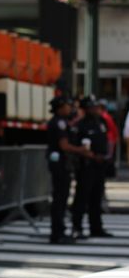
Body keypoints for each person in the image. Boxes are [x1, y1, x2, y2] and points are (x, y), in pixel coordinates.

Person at [46, 96, 92, 244]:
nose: (69, 108)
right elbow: (64, 146)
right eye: (67, 106)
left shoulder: (64, 122)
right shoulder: (58, 122)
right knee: (60, 198)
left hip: (63, 164)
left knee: (62, 198)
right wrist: (81, 150)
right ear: (59, 107)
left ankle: (60, 230)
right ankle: (57, 233)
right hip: (59, 165)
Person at [71, 95, 113, 239]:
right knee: (82, 198)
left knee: (96, 198)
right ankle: (77, 227)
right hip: (86, 166)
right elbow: (77, 146)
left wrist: (106, 156)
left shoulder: (101, 122)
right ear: (86, 109)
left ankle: (96, 227)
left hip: (99, 166)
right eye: (92, 107)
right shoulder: (80, 125)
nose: (96, 109)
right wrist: (92, 156)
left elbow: (106, 140)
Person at [98, 99, 119, 178]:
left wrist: (115, 137)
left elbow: (112, 128)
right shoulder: (105, 116)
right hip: (109, 138)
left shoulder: (105, 116)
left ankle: (109, 172)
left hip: (109, 138)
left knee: (109, 156)